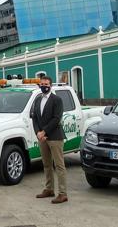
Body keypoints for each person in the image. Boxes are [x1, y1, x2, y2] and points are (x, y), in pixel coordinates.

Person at [31, 76, 68, 204]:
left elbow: (56, 118)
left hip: (55, 137)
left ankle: (62, 193)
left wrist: (44, 131)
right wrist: (38, 133)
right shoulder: (37, 100)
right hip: (42, 138)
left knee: (59, 165)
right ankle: (49, 189)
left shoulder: (57, 100)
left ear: (50, 85)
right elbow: (34, 117)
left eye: (46, 84)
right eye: (41, 84)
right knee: (46, 165)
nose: (43, 86)